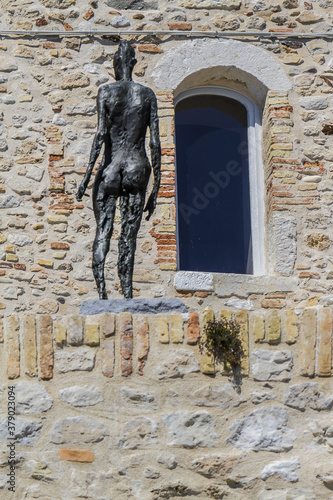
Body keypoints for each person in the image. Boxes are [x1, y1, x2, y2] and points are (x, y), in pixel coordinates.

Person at [76, 40, 161, 299]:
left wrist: (87, 176)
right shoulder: (146, 94)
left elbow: (101, 133)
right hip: (137, 167)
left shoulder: (106, 91)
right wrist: (156, 186)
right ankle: (126, 294)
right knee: (129, 236)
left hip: (111, 168)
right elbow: (155, 142)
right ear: (133, 64)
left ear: (115, 64)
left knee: (103, 230)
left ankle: (102, 293)